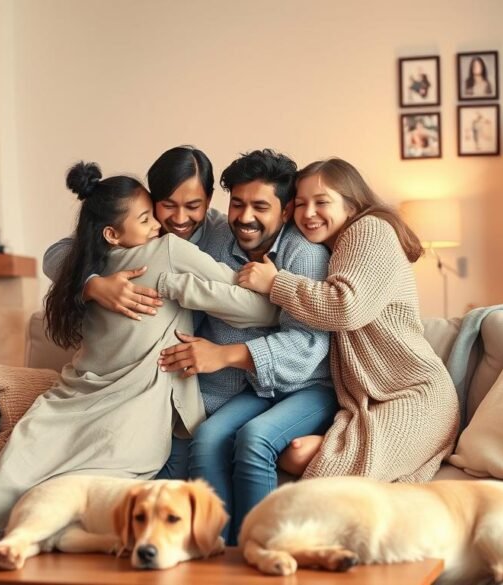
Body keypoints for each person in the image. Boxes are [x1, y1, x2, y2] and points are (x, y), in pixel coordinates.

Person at [0, 162, 275, 537]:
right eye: (151, 215)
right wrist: (167, 286)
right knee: (47, 459)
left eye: (191, 206)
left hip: (92, 399)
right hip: (106, 401)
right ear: (113, 233)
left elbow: (59, 255)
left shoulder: (94, 255)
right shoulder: (158, 252)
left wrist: (164, 285)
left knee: (25, 458)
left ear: (208, 201)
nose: (164, 223)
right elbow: (259, 308)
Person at [170, 158, 459, 482]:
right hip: (363, 402)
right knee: (297, 457)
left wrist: (274, 283)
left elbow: (347, 307)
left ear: (351, 204)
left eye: (322, 202)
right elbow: (203, 220)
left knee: (329, 479)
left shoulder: (370, 228)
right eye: (302, 204)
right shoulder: (328, 249)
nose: (308, 213)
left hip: (411, 393)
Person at [155, 150, 335, 544]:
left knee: (254, 439)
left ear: (285, 211)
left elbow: (307, 345)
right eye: (237, 203)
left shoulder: (304, 254)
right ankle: (217, 553)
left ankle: (258, 553)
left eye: (260, 206)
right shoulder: (219, 237)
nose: (245, 216)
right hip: (253, 388)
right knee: (207, 438)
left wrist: (221, 356)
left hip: (308, 387)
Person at [42, 146, 225, 320]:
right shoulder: (140, 226)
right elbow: (54, 254)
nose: (180, 218)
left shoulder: (221, 230)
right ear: (153, 198)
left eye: (193, 206)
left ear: (208, 200)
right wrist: (94, 286)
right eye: (168, 205)